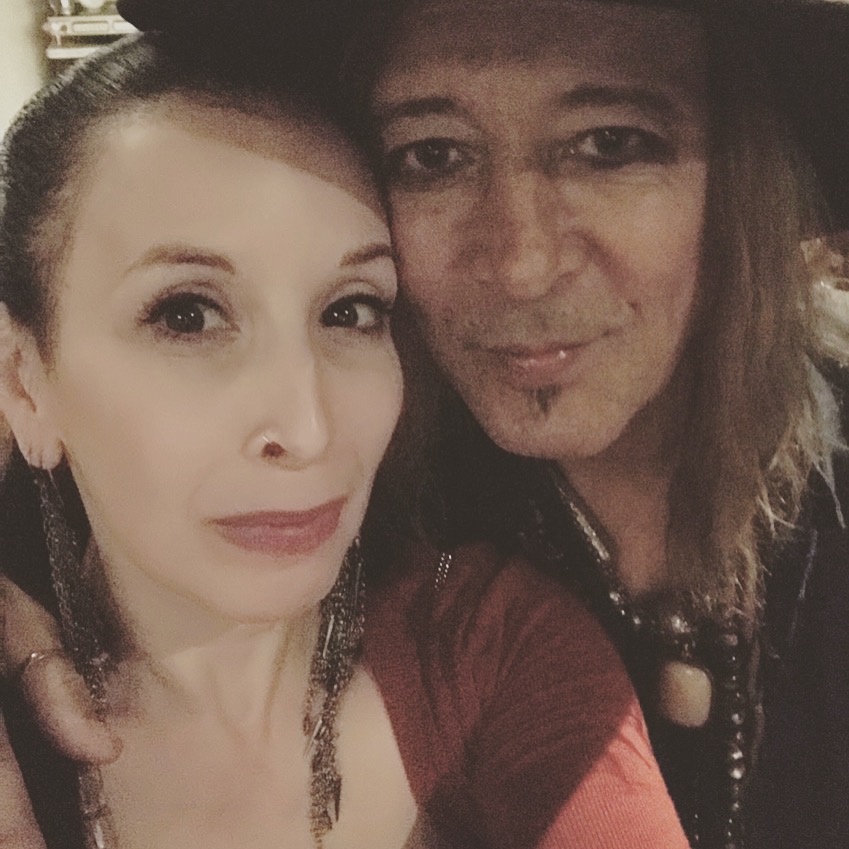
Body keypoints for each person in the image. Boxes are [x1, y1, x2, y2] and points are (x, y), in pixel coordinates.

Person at [3, 0, 849, 847]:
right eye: (433, 155)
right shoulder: (369, 484)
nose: (521, 264)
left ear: (741, 173)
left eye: (610, 143)